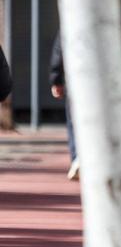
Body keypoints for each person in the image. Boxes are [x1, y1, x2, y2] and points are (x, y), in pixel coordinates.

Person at [48, 34, 79, 181]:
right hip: (101, 84)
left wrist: (56, 80)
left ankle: (77, 158)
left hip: (75, 79)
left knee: (73, 122)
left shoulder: (69, 24)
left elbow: (58, 52)